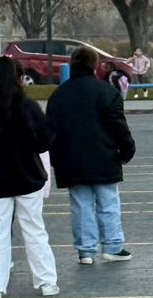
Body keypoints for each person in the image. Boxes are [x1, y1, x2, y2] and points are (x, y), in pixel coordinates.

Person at [0, 56, 59, 298]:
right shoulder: (28, 107)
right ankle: (47, 281)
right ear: (20, 77)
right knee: (34, 230)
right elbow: (44, 140)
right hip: (28, 177)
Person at [46, 45, 136, 264]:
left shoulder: (58, 96)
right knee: (108, 203)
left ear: (73, 65)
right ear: (95, 65)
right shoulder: (107, 93)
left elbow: (50, 132)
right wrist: (127, 150)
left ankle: (85, 251)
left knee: (80, 205)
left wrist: (56, 160)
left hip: (71, 160)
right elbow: (118, 126)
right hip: (104, 156)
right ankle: (112, 246)